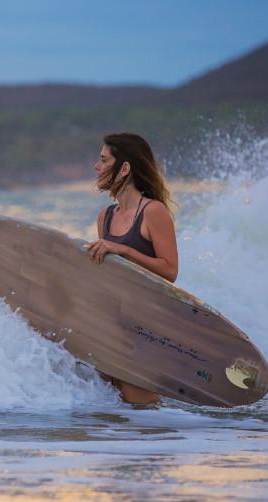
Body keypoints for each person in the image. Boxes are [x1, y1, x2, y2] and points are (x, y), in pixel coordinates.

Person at [86, 132, 178, 405]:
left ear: (124, 167)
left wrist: (124, 250)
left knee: (142, 409)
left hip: (144, 327)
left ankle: (159, 445)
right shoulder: (106, 216)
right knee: (116, 411)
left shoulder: (153, 212)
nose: (96, 166)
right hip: (113, 323)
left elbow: (170, 270)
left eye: (103, 160)